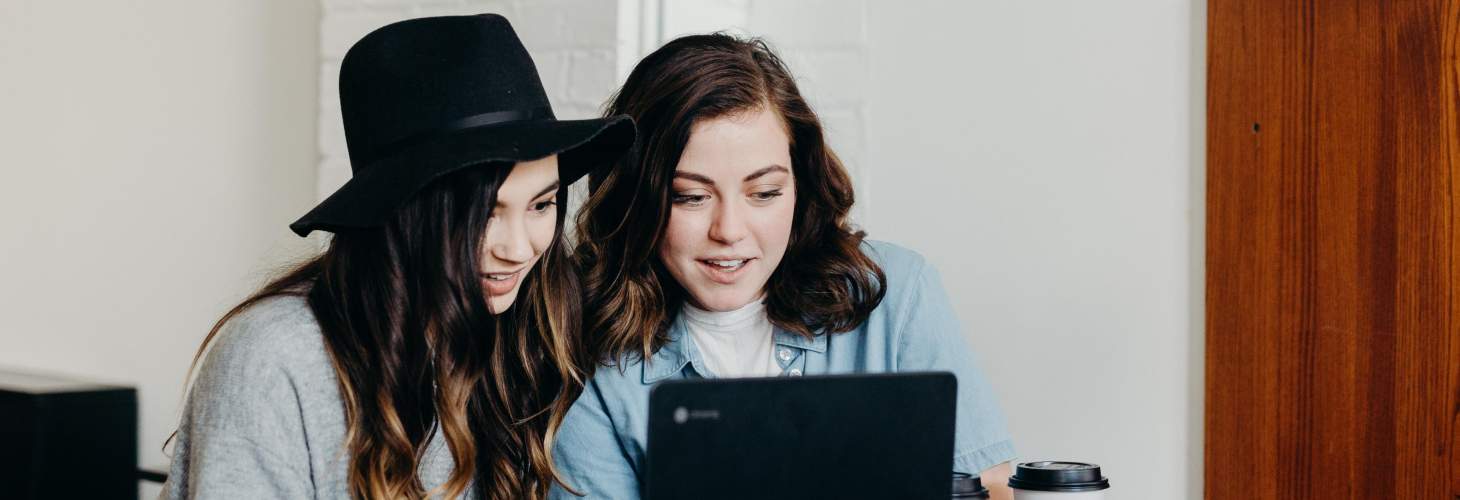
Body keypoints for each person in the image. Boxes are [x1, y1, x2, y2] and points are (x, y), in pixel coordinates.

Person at [160, 14, 634, 499]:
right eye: (484, 214)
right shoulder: (277, 358)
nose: (517, 249)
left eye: (541, 204)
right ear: (405, 215)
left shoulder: (529, 333)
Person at [552, 33, 1016, 499]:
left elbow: (989, 488)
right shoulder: (588, 353)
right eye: (690, 197)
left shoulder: (897, 294)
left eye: (765, 193)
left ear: (801, 184)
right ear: (636, 200)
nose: (729, 230)